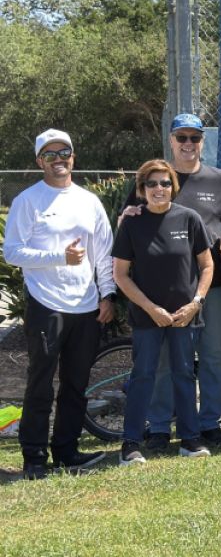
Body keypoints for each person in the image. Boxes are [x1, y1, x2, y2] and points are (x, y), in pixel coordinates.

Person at [121, 113, 221, 451]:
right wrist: (127, 214)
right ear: (171, 141)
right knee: (162, 362)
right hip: (160, 293)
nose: (188, 144)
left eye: (195, 138)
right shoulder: (153, 178)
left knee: (210, 357)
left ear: (203, 141)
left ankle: (209, 423)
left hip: (209, 287)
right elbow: (127, 222)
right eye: (182, 138)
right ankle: (160, 426)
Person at [3, 129, 115, 479]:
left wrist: (107, 294)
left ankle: (67, 451)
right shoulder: (27, 201)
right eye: (49, 155)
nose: (58, 160)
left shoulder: (89, 201)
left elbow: (104, 253)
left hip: (85, 306)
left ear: (73, 156)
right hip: (45, 305)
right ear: (39, 161)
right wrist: (59, 257)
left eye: (63, 152)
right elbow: (12, 252)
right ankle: (34, 457)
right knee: (41, 380)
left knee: (76, 383)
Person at [113, 159, 214, 465]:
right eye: (152, 184)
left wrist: (196, 302)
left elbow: (207, 265)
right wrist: (150, 308)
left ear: (174, 186)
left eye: (165, 183)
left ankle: (190, 440)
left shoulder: (189, 219)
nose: (160, 189)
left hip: (185, 315)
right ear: (142, 190)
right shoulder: (132, 223)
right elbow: (120, 275)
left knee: (184, 374)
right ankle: (130, 444)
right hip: (147, 318)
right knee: (143, 376)